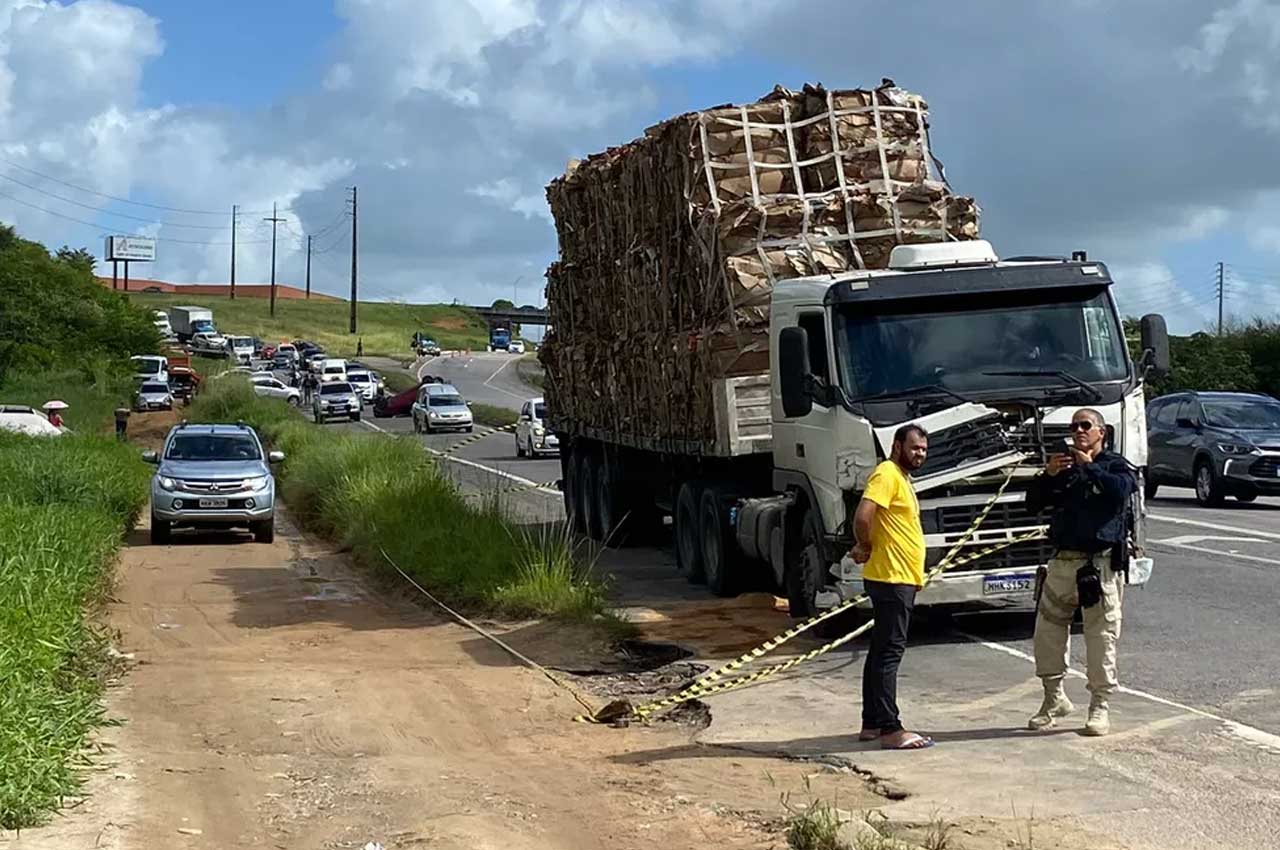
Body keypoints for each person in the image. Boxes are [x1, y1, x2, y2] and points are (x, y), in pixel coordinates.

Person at [1025, 408, 1135, 737]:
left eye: (1085, 425)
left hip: (1098, 564)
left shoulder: (1114, 466)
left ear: (1102, 432)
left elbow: (1121, 490)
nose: (1078, 431)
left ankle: (1099, 705)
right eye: (1074, 426)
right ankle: (1053, 699)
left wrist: (1090, 468)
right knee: (1047, 634)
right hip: (1062, 563)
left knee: (1101, 637)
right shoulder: (1065, 468)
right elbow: (1033, 503)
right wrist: (1048, 476)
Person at [851, 424, 933, 750]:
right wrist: (864, 545)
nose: (920, 454)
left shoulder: (901, 478)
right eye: (914, 448)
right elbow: (863, 516)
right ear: (897, 446)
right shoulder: (886, 473)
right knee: (889, 653)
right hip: (891, 577)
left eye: (924, 449)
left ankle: (871, 722)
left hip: (898, 577)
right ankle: (890, 728)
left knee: (880, 650)